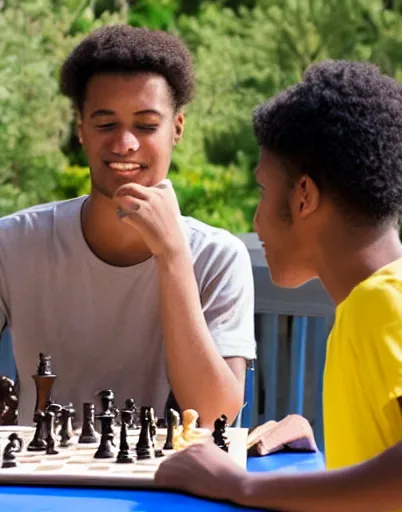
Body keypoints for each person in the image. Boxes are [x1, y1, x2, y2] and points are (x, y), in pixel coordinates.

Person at [154, 60, 402, 511]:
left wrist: (239, 485)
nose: (256, 220)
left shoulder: (385, 303)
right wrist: (327, 454)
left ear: (304, 196)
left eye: (262, 190)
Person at [0, 25, 256, 428]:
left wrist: (172, 255)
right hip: (39, 479)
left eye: (146, 125)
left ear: (177, 129)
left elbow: (215, 415)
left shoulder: (218, 256)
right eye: (105, 124)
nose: (124, 144)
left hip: (166, 485)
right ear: (81, 129)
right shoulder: (13, 242)